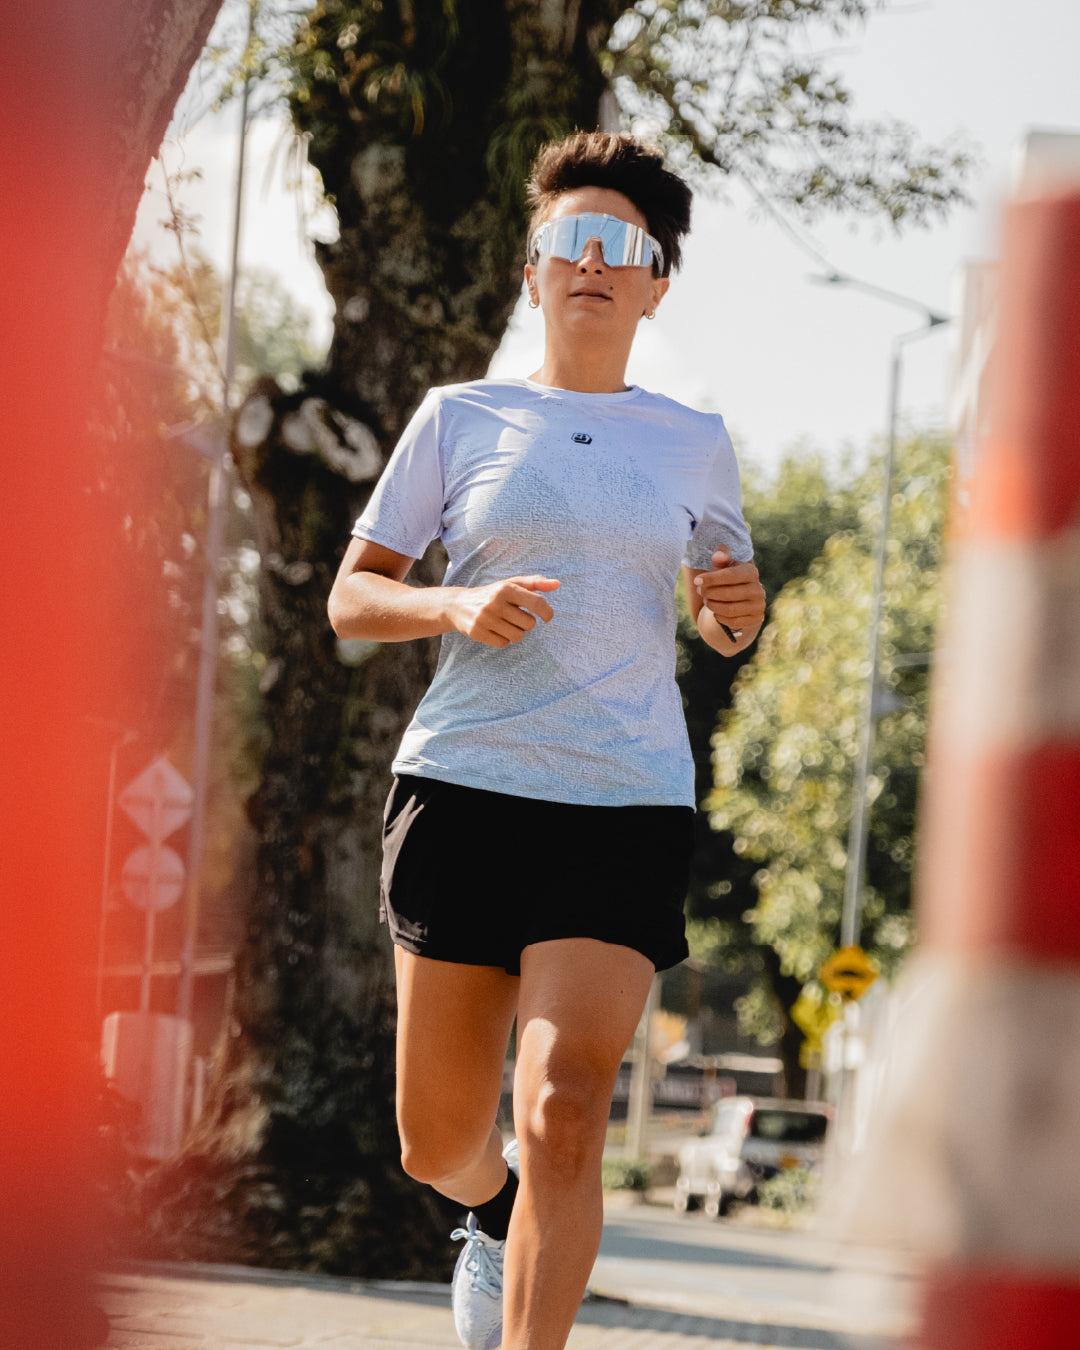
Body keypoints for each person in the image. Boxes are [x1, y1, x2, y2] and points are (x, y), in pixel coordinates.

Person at [328, 131, 766, 1350]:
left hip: (624, 801)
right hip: (465, 787)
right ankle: (491, 1211)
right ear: (533, 271)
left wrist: (739, 613)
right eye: (568, 240)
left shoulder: (693, 440)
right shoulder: (458, 419)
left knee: (566, 1105)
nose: (591, 260)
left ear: (655, 282)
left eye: (619, 245)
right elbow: (351, 599)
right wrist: (450, 602)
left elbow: (724, 609)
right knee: (439, 1142)